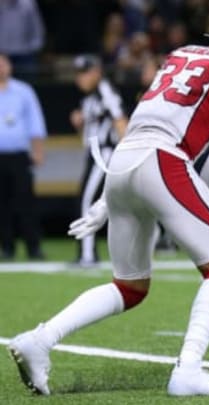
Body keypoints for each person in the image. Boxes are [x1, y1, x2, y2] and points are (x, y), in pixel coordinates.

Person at [8, 2, 209, 396]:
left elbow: (144, 123)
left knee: (129, 286)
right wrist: (189, 202)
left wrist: (109, 201)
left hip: (123, 161)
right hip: (163, 161)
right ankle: (188, 369)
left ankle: (39, 339)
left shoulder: (183, 56)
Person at [70, 55, 128, 266]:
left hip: (105, 154)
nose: (80, 78)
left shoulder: (105, 90)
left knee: (88, 200)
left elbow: (120, 119)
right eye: (78, 74)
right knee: (89, 199)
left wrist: (127, 152)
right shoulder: (89, 98)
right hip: (95, 153)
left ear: (96, 72)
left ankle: (87, 255)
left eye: (84, 73)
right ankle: (86, 252)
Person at [0, 53, 46, 260]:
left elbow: (35, 122)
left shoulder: (23, 91)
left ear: (10, 66)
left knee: (26, 203)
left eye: (4, 63)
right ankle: (7, 248)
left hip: (19, 155)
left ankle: (33, 248)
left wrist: (38, 151)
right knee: (2, 205)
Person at [0, 0, 44, 72]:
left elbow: (36, 27)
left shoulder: (28, 3)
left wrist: (34, 48)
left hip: (24, 53)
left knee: (26, 79)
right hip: (2, 52)